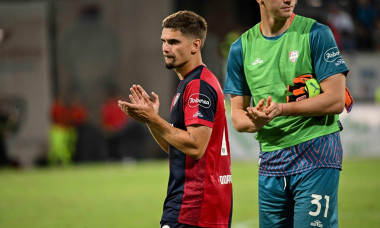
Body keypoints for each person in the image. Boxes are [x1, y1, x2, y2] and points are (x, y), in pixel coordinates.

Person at [224, 1, 349, 227]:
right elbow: (237, 117)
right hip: (271, 161)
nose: (288, 0)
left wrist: (281, 109)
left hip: (316, 153)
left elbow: (336, 99)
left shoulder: (317, 33)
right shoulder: (241, 48)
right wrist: (257, 121)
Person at [118, 11, 233, 228]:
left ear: (195, 45)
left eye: (173, 42)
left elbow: (196, 146)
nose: (165, 48)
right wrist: (151, 120)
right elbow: (178, 148)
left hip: (193, 204)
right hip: (204, 204)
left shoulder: (198, 86)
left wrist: (154, 119)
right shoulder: (192, 82)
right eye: (163, 41)